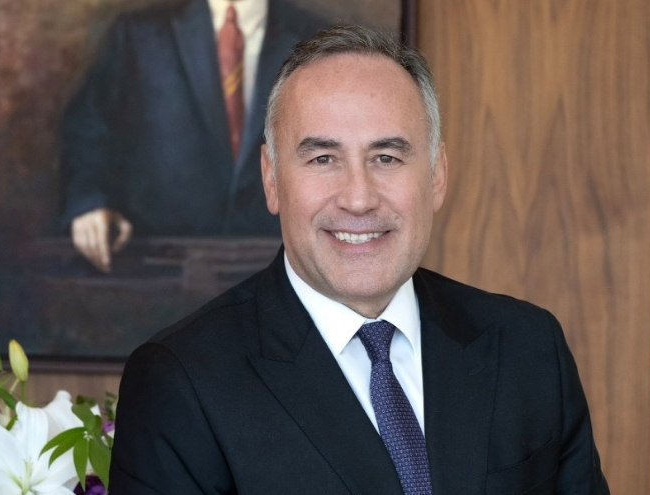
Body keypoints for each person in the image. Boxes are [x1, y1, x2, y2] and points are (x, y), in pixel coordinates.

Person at [111, 25, 610, 494]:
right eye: (323, 158)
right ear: (271, 178)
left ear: (436, 175)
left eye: (386, 158)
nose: (358, 198)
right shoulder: (180, 383)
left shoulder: (528, 347)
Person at [59, 0, 327, 272]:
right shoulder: (139, 34)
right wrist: (88, 203)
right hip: (155, 262)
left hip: (280, 263)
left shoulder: (317, 39)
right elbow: (89, 126)